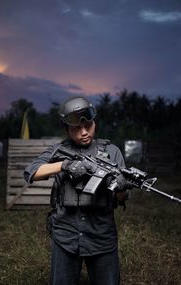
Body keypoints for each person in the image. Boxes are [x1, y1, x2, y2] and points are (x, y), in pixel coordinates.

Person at [24, 96, 130, 285]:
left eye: (88, 126)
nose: (83, 132)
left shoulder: (112, 152)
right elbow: (32, 172)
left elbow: (121, 198)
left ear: (94, 122)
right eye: (76, 128)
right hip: (65, 236)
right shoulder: (58, 150)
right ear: (66, 129)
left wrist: (121, 186)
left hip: (101, 237)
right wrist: (64, 165)